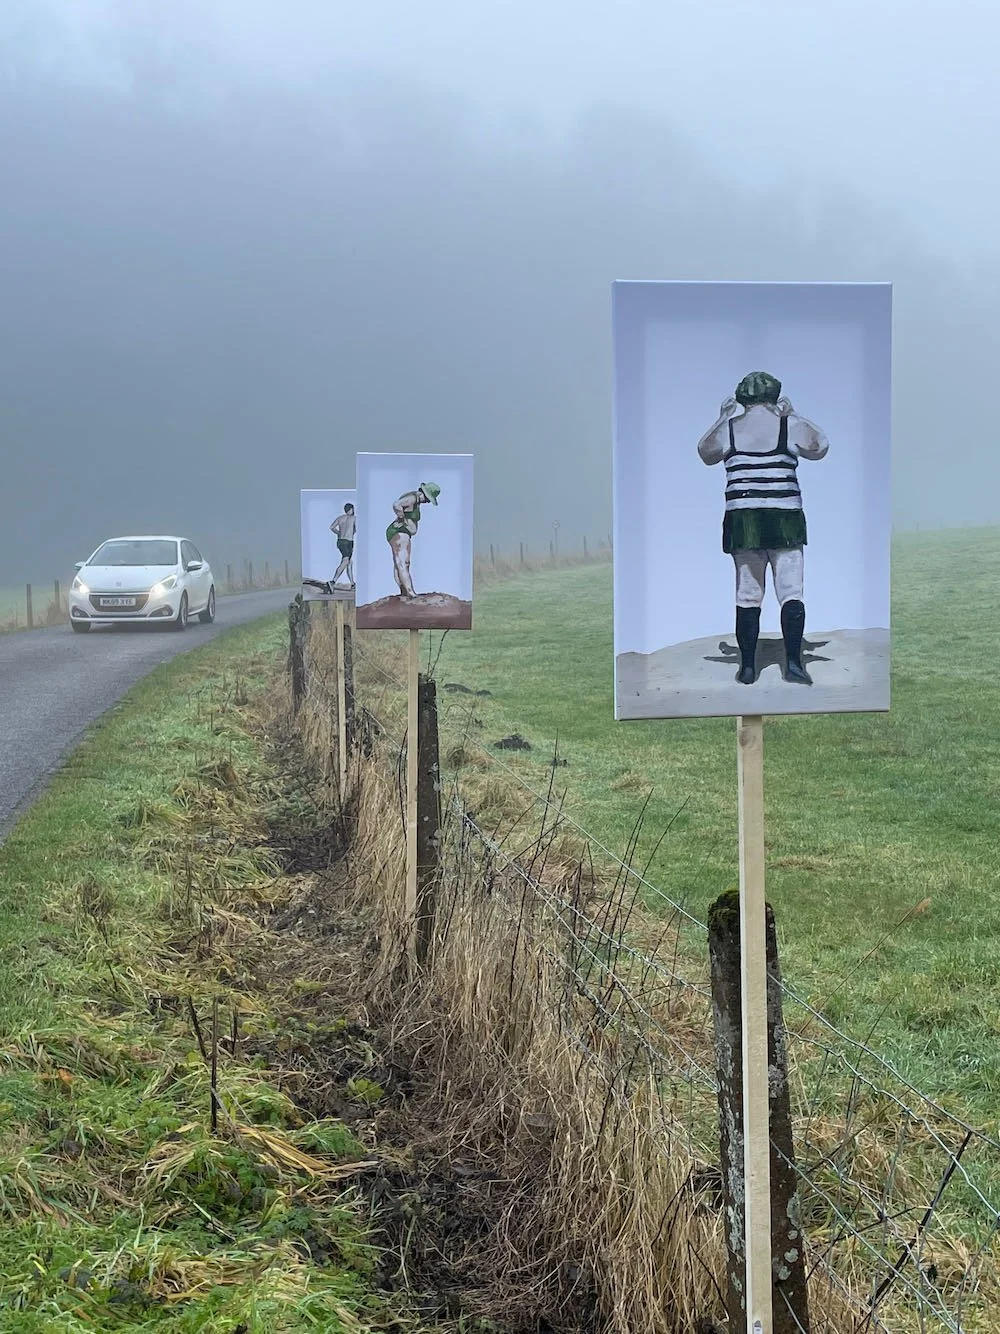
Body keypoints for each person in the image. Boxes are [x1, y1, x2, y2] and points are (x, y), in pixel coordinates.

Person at [697, 371, 828, 685]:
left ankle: (747, 667)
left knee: (748, 594)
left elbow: (705, 453)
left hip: (745, 522)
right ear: (774, 396)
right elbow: (820, 446)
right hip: (785, 521)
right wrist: (793, 413)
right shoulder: (788, 426)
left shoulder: (730, 429)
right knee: (791, 592)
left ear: (742, 397)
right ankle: (794, 665)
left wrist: (722, 417)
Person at [385, 482, 441, 599]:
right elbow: (396, 505)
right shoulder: (412, 498)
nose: (427, 502)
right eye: (428, 499)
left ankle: (404, 590)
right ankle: (410, 592)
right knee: (402, 563)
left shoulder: (415, 500)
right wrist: (401, 518)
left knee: (400, 563)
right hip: (400, 531)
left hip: (403, 532)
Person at [329, 503, 355, 588]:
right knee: (345, 561)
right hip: (348, 542)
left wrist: (338, 533)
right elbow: (356, 529)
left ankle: (352, 583)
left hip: (340, 541)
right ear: (351, 509)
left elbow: (332, 527)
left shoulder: (340, 518)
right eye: (352, 509)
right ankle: (333, 581)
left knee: (349, 562)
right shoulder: (353, 518)